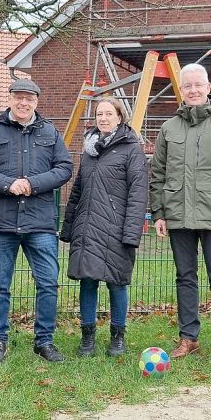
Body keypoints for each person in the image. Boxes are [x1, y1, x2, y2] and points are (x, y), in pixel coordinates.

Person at [149, 63, 211, 368]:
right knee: (185, 278)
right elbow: (157, 173)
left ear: (208, 88)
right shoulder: (169, 128)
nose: (193, 90)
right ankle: (189, 338)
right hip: (178, 216)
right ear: (183, 89)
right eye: (188, 85)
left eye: (198, 85)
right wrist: (159, 212)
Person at [0, 78, 73, 363]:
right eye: (18, 97)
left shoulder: (50, 133)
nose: (23, 103)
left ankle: (44, 341)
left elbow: (64, 167)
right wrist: (8, 184)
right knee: (0, 285)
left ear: (36, 102)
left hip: (39, 222)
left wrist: (33, 183)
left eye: (29, 98)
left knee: (48, 283)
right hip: (2, 222)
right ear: (10, 99)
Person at [60, 97, 148, 357]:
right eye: (100, 114)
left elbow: (138, 194)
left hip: (116, 230)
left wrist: (131, 233)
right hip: (87, 228)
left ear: (120, 118)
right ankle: (87, 339)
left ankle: (117, 338)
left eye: (109, 113)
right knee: (87, 283)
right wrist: (68, 228)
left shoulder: (132, 149)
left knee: (117, 284)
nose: (104, 118)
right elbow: (77, 191)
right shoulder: (89, 151)